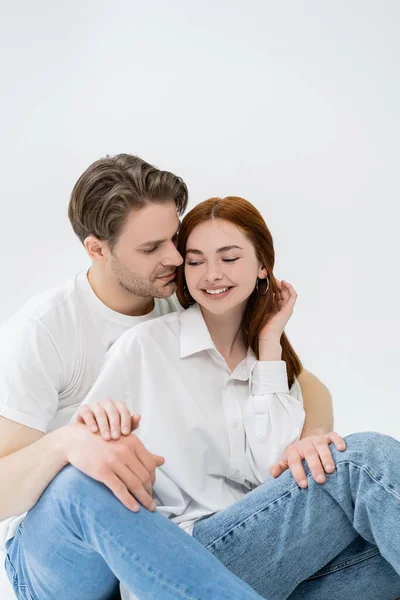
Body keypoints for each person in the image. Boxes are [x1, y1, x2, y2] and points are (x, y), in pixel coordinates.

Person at [0, 155, 333, 600]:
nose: (176, 257)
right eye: (151, 248)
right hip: (57, 555)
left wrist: (310, 436)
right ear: (97, 249)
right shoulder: (46, 329)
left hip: (157, 540)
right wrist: (69, 444)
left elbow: (305, 383)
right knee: (81, 481)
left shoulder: (185, 298)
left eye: (174, 238)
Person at [70, 196, 400, 600]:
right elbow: (81, 460)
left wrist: (268, 343)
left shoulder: (271, 365)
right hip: (183, 561)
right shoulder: (144, 348)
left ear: (263, 266)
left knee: (387, 564)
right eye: (195, 261)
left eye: (229, 258)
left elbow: (274, 471)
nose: (212, 274)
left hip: (261, 569)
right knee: (362, 461)